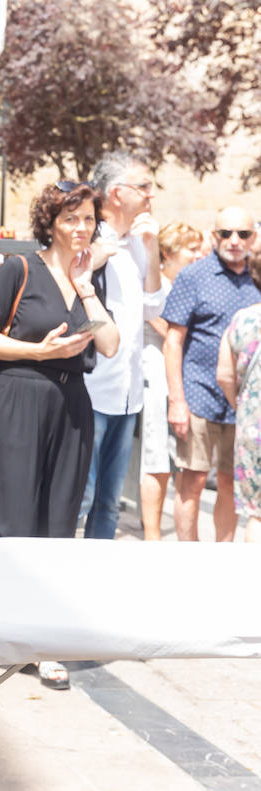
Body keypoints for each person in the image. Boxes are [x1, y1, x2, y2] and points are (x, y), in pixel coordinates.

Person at [0, 181, 119, 690]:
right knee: (12, 518)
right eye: (72, 218)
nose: (82, 229)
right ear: (51, 221)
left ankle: (44, 644)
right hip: (20, 394)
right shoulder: (20, 268)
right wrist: (39, 352)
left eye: (89, 220)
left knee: (59, 521)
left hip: (72, 400)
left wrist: (88, 287)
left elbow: (112, 345)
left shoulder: (92, 277)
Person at [163, 206, 261, 542]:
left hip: (247, 405)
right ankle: (189, 559)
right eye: (225, 233)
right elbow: (173, 341)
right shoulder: (194, 276)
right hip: (198, 395)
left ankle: (224, 556)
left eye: (243, 234)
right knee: (192, 479)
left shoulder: (258, 277)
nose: (234, 241)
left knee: (231, 482)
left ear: (254, 236)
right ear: (213, 235)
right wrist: (177, 400)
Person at [79, 153, 163, 539]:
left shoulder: (138, 243)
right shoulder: (89, 241)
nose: (151, 195)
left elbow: (154, 306)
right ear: (116, 194)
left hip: (128, 393)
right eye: (143, 187)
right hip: (92, 389)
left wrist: (154, 247)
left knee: (110, 502)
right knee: (84, 496)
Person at [140, 222, 206, 539]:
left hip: (179, 378)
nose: (198, 256)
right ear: (167, 253)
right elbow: (169, 332)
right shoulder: (156, 287)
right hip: (154, 374)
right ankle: (152, 535)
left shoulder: (189, 285)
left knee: (178, 459)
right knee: (156, 457)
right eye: (190, 249)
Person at [217, 249, 261, 544]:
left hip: (252, 425)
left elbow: (224, 375)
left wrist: (242, 407)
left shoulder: (243, 319)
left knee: (257, 514)